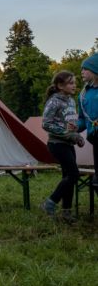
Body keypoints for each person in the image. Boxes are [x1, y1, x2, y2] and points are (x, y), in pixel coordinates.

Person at [41, 71, 85, 222]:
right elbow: (46, 124)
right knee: (73, 174)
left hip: (68, 143)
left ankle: (66, 212)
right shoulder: (54, 101)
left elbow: (71, 124)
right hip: (57, 144)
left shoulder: (71, 101)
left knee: (68, 177)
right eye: (71, 83)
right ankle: (50, 202)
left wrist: (77, 135)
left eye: (75, 82)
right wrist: (68, 134)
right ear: (60, 85)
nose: (74, 85)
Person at [78, 53, 98, 187]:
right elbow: (83, 119)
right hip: (95, 139)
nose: (82, 72)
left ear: (95, 69)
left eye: (85, 69)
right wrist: (74, 127)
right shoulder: (84, 94)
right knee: (96, 182)